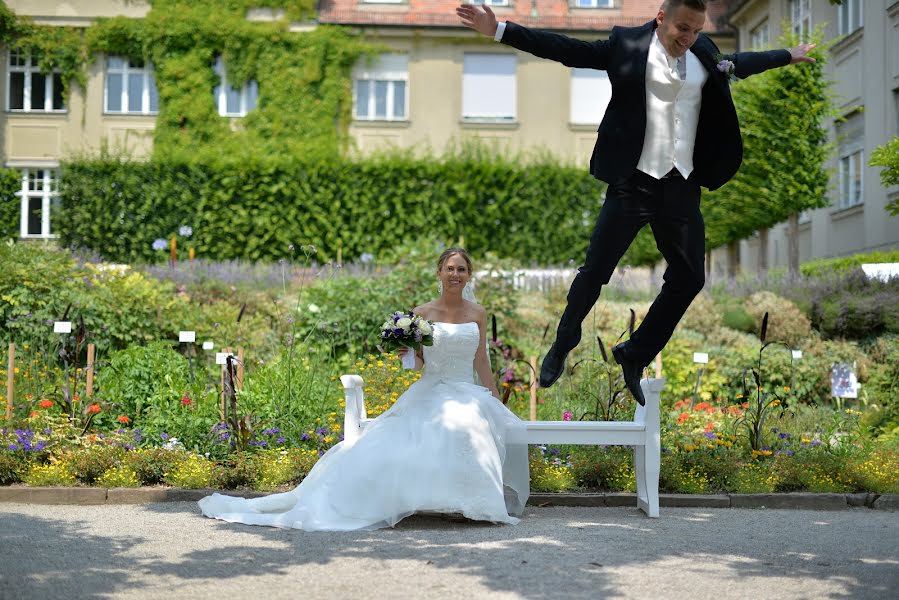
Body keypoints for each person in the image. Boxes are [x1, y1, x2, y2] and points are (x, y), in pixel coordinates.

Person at [456, 1, 815, 405]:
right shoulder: (625, 45)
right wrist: (500, 29)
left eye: (696, 31)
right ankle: (563, 340)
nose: (689, 38)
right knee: (595, 271)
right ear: (661, 18)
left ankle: (635, 353)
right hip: (634, 181)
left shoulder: (703, 51)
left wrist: (788, 55)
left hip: (681, 184)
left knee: (690, 277)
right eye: (683, 28)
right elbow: (565, 48)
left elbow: (738, 62)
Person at [198, 247, 529, 530]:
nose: (455, 274)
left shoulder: (478, 314)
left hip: (466, 390)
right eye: (449, 269)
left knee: (470, 423)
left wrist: (495, 399)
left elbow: (481, 361)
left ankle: (471, 506)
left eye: (461, 269)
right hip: (432, 389)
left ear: (469, 275)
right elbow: (417, 364)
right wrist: (405, 352)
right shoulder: (422, 314)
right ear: (439, 272)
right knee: (417, 435)